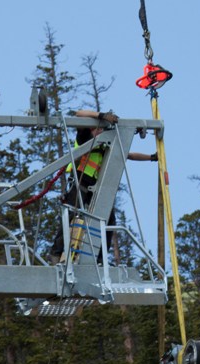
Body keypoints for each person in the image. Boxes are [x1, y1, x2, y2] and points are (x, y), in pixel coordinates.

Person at [51, 109, 157, 263]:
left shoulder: (105, 145)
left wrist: (152, 158)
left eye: (102, 129)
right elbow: (79, 113)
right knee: (70, 215)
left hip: (95, 186)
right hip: (80, 181)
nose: (100, 131)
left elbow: (129, 155)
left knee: (108, 219)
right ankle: (56, 252)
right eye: (97, 129)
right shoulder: (84, 137)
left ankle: (100, 258)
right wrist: (101, 116)